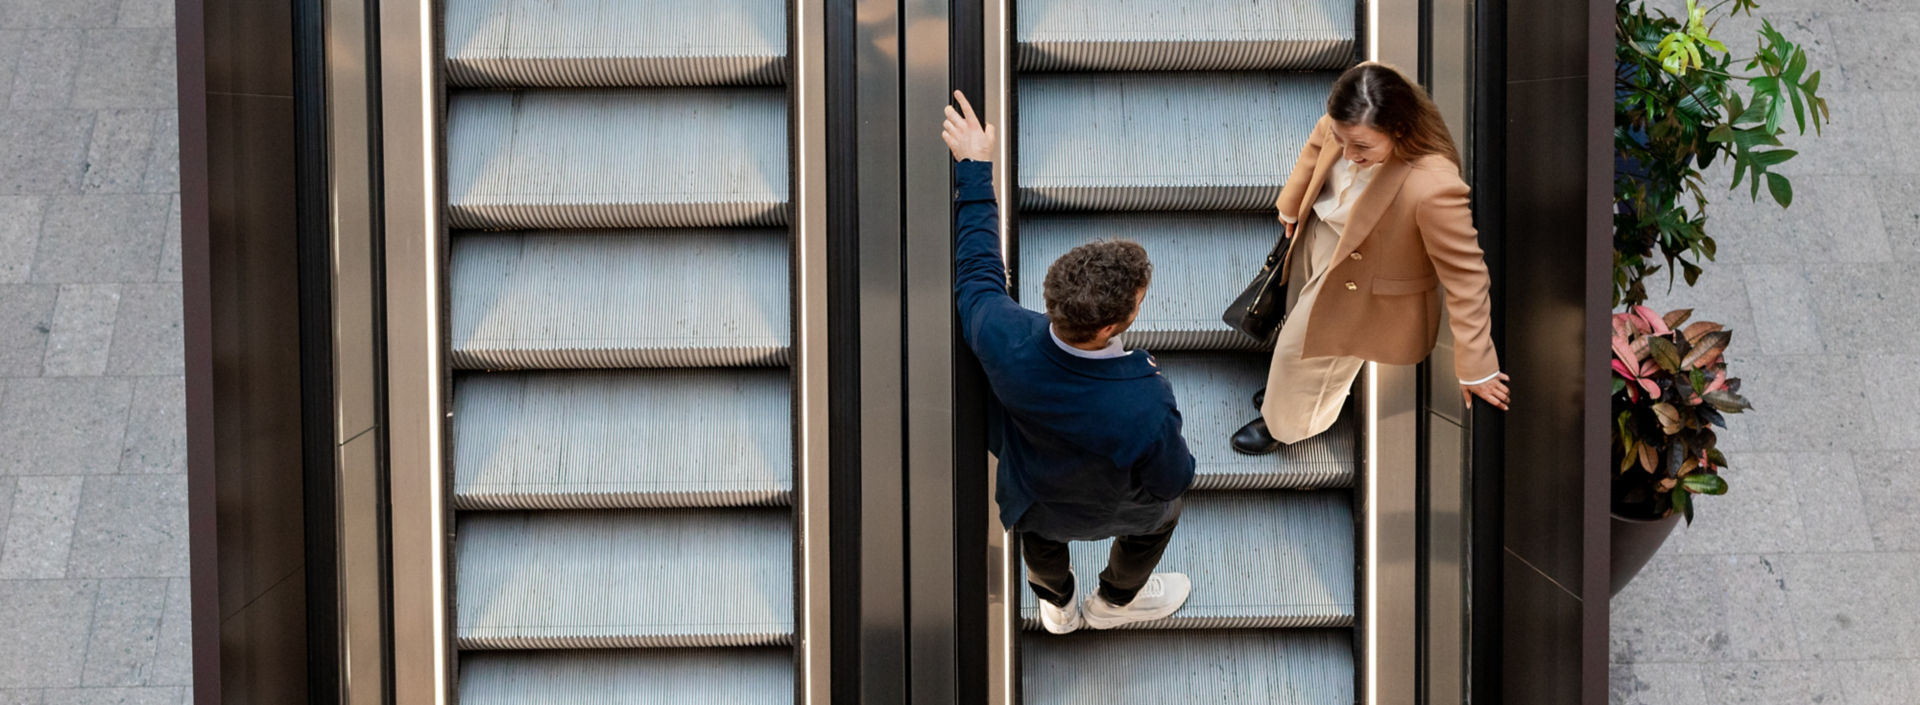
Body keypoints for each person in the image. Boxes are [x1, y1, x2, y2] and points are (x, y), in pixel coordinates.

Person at [942, 91, 1197, 634]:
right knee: (1158, 524)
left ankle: (1057, 606)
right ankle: (1114, 604)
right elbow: (1173, 478)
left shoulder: (1002, 334)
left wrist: (974, 168)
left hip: (1035, 497)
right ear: (1110, 327)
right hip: (1120, 508)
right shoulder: (1146, 401)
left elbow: (977, 268)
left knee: (1040, 546)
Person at [1232, 62, 1511, 455]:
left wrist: (1476, 365)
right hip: (1320, 232)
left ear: (1399, 129)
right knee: (1297, 323)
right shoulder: (1355, 102)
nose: (1348, 154)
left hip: (1366, 274)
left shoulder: (1433, 186)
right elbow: (1318, 145)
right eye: (1343, 140)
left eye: (1361, 147)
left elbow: (1467, 277)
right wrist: (1292, 205)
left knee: (1307, 351)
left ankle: (1288, 426)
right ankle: (1292, 397)